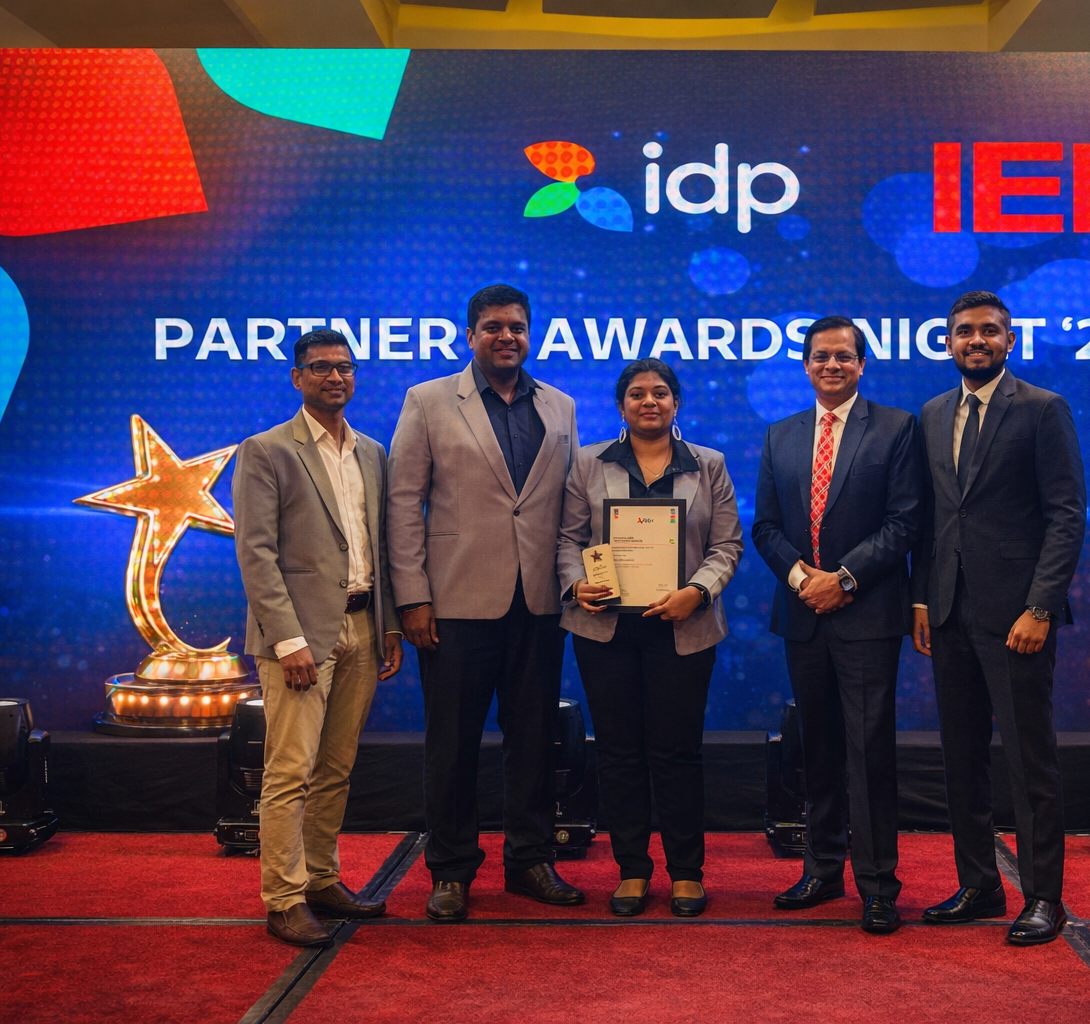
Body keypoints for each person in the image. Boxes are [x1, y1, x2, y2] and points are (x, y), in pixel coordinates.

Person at [387, 283, 583, 922]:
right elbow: (403, 503)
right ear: (470, 335)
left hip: (540, 602)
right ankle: (450, 870)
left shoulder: (560, 406)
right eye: (494, 327)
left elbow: (569, 507)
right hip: (454, 602)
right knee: (452, 744)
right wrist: (411, 597)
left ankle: (530, 860)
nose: (506, 337)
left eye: (517, 328)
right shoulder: (428, 400)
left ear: (530, 335)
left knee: (534, 739)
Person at [911, 290, 1087, 946]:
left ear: (1010, 340)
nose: (976, 340)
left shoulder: (1042, 408)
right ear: (948, 342)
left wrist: (1041, 607)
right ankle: (979, 884)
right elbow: (933, 517)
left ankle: (1044, 897)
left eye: (989, 330)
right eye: (964, 331)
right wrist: (922, 600)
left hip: (1018, 617)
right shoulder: (933, 413)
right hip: (948, 612)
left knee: (1028, 760)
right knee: (961, 759)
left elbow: (1066, 515)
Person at [232, 328, 404, 948]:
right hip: (298, 639)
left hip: (362, 624)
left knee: (336, 768)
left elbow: (380, 547)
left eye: (345, 367)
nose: (336, 377)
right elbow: (256, 553)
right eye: (322, 367)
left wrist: (388, 624)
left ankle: (321, 879)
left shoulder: (373, 452)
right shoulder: (266, 450)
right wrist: (287, 641)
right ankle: (283, 899)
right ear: (297, 377)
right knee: (290, 771)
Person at [752, 316, 924, 935]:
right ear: (805, 365)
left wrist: (843, 579)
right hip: (803, 615)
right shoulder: (781, 435)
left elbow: (906, 521)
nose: (832, 365)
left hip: (866, 616)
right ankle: (822, 869)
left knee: (869, 753)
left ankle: (877, 886)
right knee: (817, 748)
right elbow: (765, 527)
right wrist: (804, 580)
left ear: (861, 365)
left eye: (844, 357)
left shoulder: (897, 428)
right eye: (821, 356)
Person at [557, 359, 743, 918]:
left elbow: (727, 546)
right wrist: (575, 583)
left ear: (676, 403)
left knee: (678, 753)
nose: (649, 402)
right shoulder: (588, 462)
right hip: (605, 628)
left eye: (660, 393)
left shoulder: (709, 464)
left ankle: (686, 872)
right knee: (618, 752)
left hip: (683, 627)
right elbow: (567, 539)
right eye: (637, 394)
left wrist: (698, 592)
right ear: (621, 406)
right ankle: (633, 870)